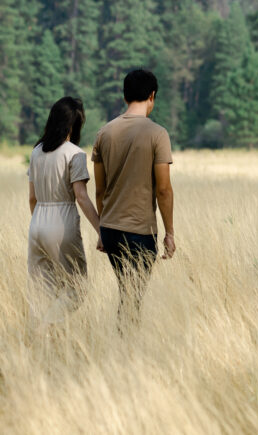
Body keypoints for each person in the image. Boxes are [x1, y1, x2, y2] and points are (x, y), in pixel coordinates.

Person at [92, 69, 174, 329]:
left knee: (127, 293)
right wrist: (169, 232)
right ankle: (127, 349)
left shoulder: (104, 133)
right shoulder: (158, 134)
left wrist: (101, 229)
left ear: (125, 95)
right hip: (140, 231)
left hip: (112, 231)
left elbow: (100, 190)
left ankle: (124, 345)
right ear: (152, 96)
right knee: (133, 297)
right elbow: (163, 189)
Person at [27, 97, 101, 323]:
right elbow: (81, 196)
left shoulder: (36, 151)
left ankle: (38, 338)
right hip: (62, 222)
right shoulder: (74, 153)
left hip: (37, 222)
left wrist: (40, 219)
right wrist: (101, 230)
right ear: (74, 125)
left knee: (43, 292)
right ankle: (43, 329)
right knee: (77, 289)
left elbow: (32, 198)